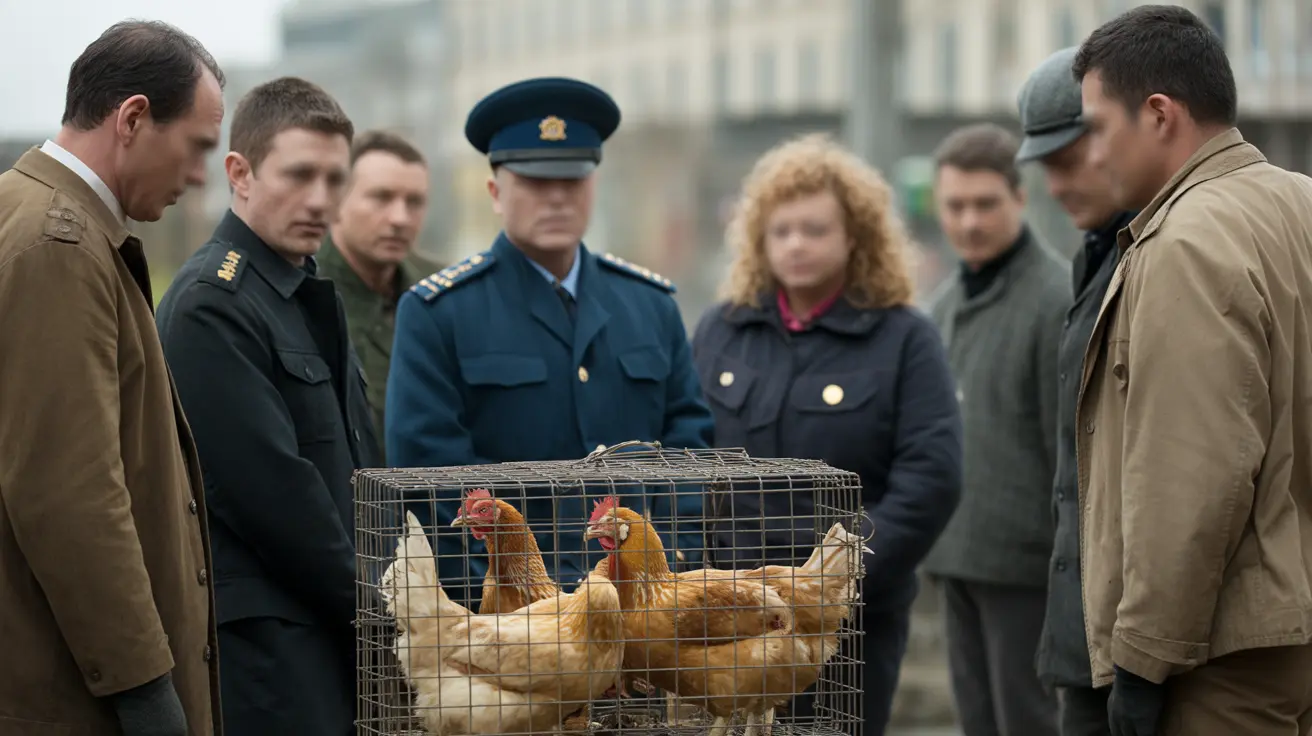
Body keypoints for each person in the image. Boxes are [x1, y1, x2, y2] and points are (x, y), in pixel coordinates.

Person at [1072, 6, 1312, 735]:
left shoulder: (1185, 241)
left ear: (1158, 114)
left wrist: (1143, 661)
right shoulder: (1299, 202)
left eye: (1097, 125)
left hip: (1221, 653)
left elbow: (1190, 475)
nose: (1092, 154)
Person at [385, 77, 713, 601]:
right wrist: (496, 606)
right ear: (496, 191)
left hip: (639, 613)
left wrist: (669, 574)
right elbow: (431, 482)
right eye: (536, 182)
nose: (557, 197)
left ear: (594, 185)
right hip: (512, 624)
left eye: (572, 180)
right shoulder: (440, 313)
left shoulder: (649, 306)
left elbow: (688, 459)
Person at [691, 132, 962, 736]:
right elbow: (686, 450)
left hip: (847, 625)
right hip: (730, 615)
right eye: (781, 230)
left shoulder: (903, 338)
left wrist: (840, 574)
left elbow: (932, 474)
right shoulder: (721, 329)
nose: (796, 244)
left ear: (854, 237)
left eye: (815, 230)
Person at [0, 20, 223, 736]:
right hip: (73, 701)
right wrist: (146, 691)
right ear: (132, 118)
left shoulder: (36, 217)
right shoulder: (59, 243)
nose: (198, 177)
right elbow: (68, 491)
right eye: (197, 148)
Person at [155, 76, 378, 735]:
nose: (320, 200)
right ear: (240, 173)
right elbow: (276, 497)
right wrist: (382, 612)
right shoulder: (213, 304)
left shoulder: (299, 291)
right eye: (300, 174)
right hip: (270, 659)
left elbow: (359, 470)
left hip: (329, 634)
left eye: (335, 179)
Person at [922, 123, 1068, 736]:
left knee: (1026, 722)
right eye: (956, 206)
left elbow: (1070, 452)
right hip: (957, 557)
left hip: (1028, 568)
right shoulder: (944, 303)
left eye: (986, 204)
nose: (970, 222)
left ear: (1020, 198)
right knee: (976, 721)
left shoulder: (1055, 297)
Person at [1014, 46, 1137, 736]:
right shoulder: (1097, 252)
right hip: (1089, 632)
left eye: (1066, 159)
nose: (1055, 186)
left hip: (1135, 639)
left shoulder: (1158, 255)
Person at [319, 129, 441, 461]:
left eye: (414, 202)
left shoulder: (443, 292)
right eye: (381, 197)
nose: (400, 218)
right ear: (338, 200)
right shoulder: (303, 292)